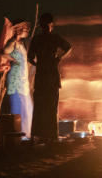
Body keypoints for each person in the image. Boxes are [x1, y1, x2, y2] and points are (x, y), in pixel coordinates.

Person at [27, 12, 72, 143]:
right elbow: (68, 47)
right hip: (50, 76)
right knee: (51, 106)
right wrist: (58, 58)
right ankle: (51, 136)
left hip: (42, 77)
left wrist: (37, 63)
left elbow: (30, 57)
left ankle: (38, 135)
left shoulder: (37, 39)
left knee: (41, 106)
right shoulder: (54, 38)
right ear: (50, 25)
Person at [2, 19, 33, 138]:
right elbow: (3, 52)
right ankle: (18, 135)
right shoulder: (13, 42)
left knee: (27, 106)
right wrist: (13, 60)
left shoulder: (21, 44)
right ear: (19, 30)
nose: (27, 31)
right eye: (25, 29)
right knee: (18, 106)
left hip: (23, 78)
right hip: (15, 78)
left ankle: (26, 133)